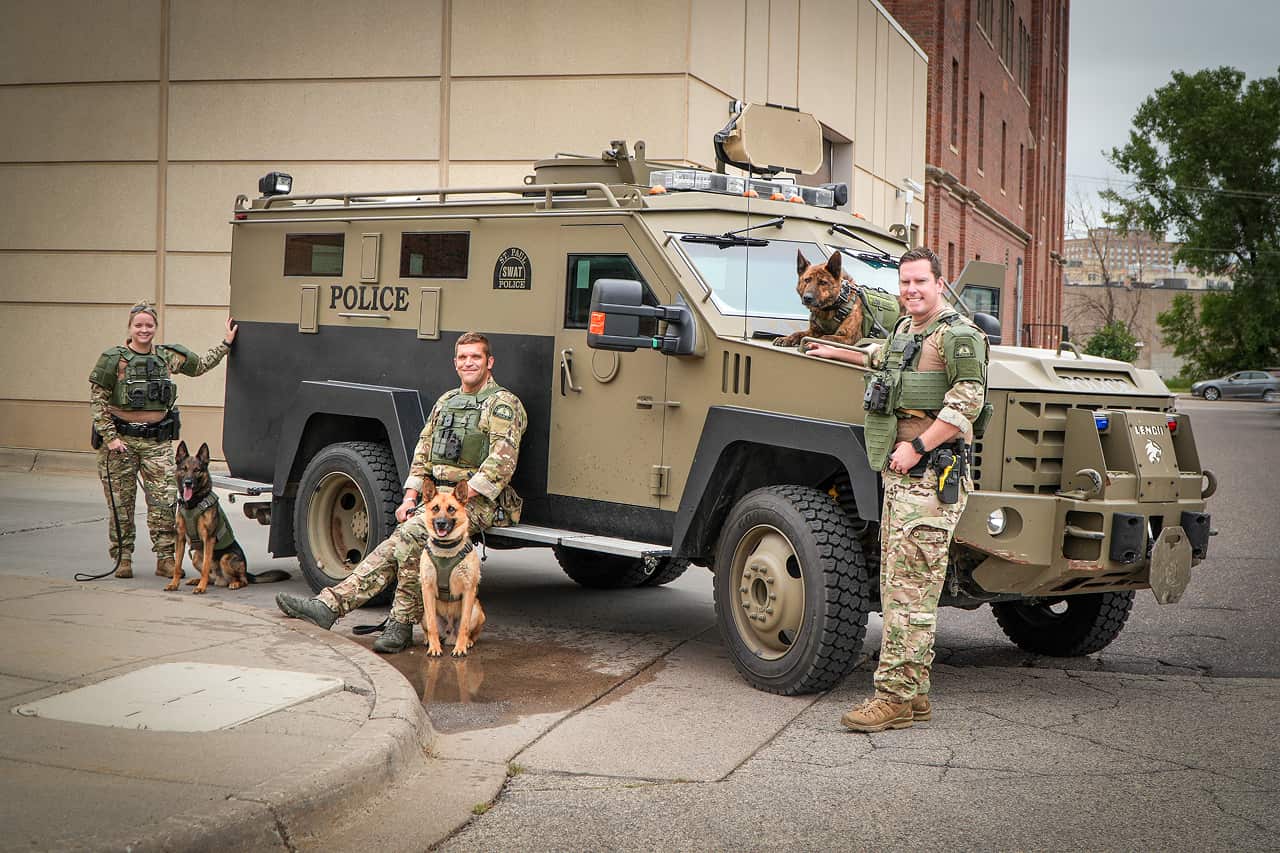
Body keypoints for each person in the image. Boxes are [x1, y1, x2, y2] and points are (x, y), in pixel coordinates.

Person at [805, 246, 989, 733]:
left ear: (939, 284)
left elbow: (967, 404)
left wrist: (918, 447)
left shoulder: (958, 335)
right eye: (905, 282)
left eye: (920, 282)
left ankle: (893, 698)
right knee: (899, 587)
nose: (911, 290)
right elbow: (879, 356)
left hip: (930, 474)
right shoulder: (908, 329)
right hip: (903, 478)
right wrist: (835, 350)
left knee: (910, 595)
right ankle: (916, 693)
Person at [275, 332, 527, 653]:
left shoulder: (503, 404)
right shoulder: (446, 402)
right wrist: (410, 497)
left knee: (409, 535)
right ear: (455, 363)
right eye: (463, 357)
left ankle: (389, 620)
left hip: (475, 502)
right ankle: (340, 609)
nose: (469, 363)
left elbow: (501, 464)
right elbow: (423, 453)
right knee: (402, 539)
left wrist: (455, 499)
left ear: (489, 362)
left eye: (475, 357)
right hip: (437, 501)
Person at [89, 301, 238, 579]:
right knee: (121, 505)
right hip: (120, 443)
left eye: (149, 325)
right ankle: (122, 559)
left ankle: (166, 559)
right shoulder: (113, 360)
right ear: (130, 327)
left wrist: (226, 344)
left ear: (155, 327)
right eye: (138, 325)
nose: (144, 330)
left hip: (157, 444)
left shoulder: (166, 357)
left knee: (165, 504)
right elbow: (98, 402)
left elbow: (200, 365)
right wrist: (110, 438)